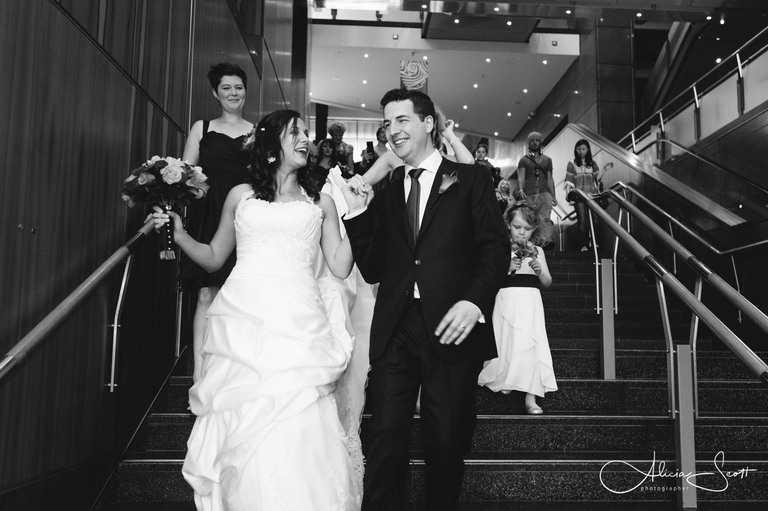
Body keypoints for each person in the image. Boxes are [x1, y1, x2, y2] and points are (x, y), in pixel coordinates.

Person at [153, 110, 361, 510]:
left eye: (305, 133)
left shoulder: (321, 201)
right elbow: (214, 258)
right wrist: (180, 236)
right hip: (244, 319)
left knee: (298, 413)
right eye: (295, 132)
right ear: (271, 144)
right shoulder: (240, 195)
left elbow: (338, 265)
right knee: (245, 416)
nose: (305, 139)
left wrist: (358, 216)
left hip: (299, 321)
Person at [341, 88, 510, 511]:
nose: (392, 131)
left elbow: (495, 249)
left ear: (428, 123)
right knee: (384, 441)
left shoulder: (471, 179)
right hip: (397, 327)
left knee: (447, 442)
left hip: (452, 327)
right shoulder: (389, 187)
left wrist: (474, 302)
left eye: (402, 120)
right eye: (387, 123)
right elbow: (376, 268)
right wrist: (360, 215)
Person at [179, 62, 254, 384]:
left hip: (245, 211)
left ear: (245, 91)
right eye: (226, 88)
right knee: (206, 293)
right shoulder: (203, 128)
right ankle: (200, 371)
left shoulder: (257, 131)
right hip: (208, 211)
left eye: (238, 87)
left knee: (241, 292)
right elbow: (183, 172)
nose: (233, 93)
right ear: (215, 93)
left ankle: (236, 369)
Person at [478, 201, 557, 415]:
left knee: (530, 343)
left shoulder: (538, 250)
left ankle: (531, 398)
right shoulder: (501, 249)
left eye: (527, 229)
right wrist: (506, 268)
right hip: (506, 298)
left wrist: (540, 270)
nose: (522, 233)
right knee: (507, 340)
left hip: (530, 301)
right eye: (517, 227)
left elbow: (548, 281)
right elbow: (488, 278)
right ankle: (506, 378)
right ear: (508, 226)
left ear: (534, 230)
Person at [564, 139, 614, 251]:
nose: (581, 151)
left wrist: (605, 170)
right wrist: (568, 195)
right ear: (576, 150)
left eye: (583, 149)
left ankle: (595, 243)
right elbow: (569, 179)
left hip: (593, 195)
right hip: (579, 196)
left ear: (587, 150)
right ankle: (584, 245)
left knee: (595, 220)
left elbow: (597, 178)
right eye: (579, 149)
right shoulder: (572, 163)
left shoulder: (592, 163)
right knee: (582, 220)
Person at [516, 131, 558, 247]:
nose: (534, 143)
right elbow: (521, 176)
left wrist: (553, 196)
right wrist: (520, 190)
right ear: (529, 143)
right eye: (532, 141)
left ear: (540, 142)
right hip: (529, 194)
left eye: (537, 140)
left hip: (545, 194)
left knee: (545, 219)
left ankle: (544, 242)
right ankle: (531, 244)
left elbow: (550, 179)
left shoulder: (547, 160)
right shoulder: (524, 160)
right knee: (530, 219)